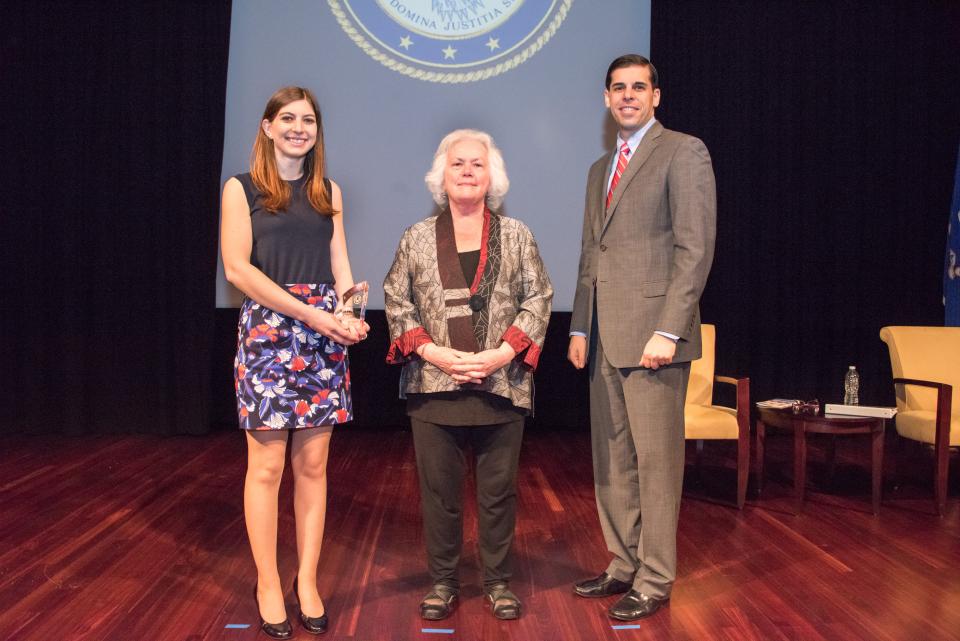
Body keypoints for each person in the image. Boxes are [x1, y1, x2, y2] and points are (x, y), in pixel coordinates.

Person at [568, 55, 716, 621]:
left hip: (655, 339)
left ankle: (655, 578)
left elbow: (694, 251)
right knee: (612, 461)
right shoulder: (597, 169)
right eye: (618, 88)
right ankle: (623, 564)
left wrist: (668, 330)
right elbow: (591, 253)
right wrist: (580, 325)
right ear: (607, 99)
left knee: (656, 464)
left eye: (639, 87)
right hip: (605, 335)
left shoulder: (683, 151)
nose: (628, 95)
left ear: (657, 96)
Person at [383, 129, 553, 621]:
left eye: (477, 164)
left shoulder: (518, 234)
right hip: (434, 386)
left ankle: (498, 582)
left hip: (502, 384)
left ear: (491, 175)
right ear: (442, 174)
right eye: (458, 164)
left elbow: (539, 297)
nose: (467, 172)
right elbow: (397, 301)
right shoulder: (416, 237)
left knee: (498, 494)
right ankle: (443, 582)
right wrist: (435, 354)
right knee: (439, 496)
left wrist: (501, 355)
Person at [220, 86, 369, 638]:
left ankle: (306, 580)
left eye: (308, 120)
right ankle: (267, 582)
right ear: (267, 127)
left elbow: (340, 262)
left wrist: (349, 311)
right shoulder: (241, 188)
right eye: (287, 118)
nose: (298, 127)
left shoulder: (328, 190)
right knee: (265, 468)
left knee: (313, 468)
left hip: (322, 337)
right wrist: (312, 313)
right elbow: (238, 271)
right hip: (268, 331)